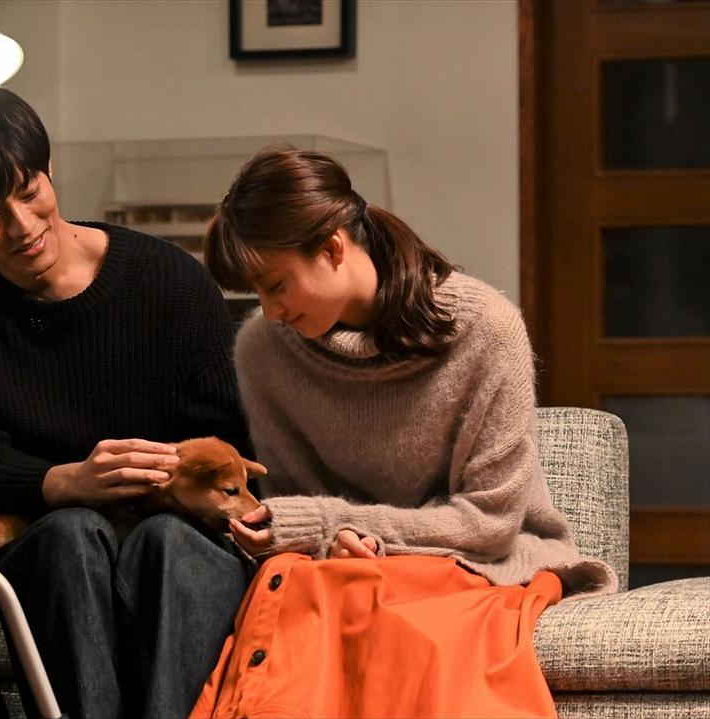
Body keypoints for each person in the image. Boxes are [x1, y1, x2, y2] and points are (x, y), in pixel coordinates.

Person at [191, 148, 618, 718]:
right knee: (299, 597)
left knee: (402, 625)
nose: (269, 311)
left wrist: (348, 529)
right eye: (257, 293)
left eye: (276, 285)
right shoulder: (263, 349)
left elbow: (489, 524)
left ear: (333, 248)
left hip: (479, 559)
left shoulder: (485, 329)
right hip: (339, 570)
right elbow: (296, 504)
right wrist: (333, 538)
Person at [0, 86, 254, 719]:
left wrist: (160, 481)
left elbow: (233, 443)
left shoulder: (169, 281)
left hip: (182, 532)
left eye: (29, 191)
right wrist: (65, 481)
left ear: (49, 168)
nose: (23, 227)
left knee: (165, 542)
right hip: (49, 533)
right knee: (69, 534)